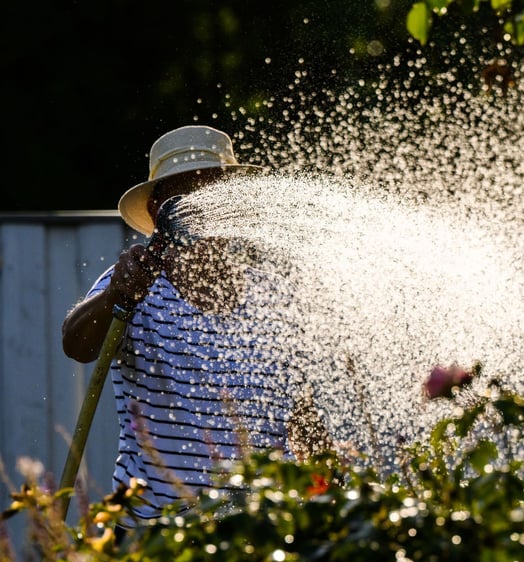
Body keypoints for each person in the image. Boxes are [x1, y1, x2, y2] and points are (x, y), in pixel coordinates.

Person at [62, 125, 332, 528]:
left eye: (211, 191)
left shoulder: (275, 295)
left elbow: (302, 419)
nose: (199, 208)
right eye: (182, 195)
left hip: (263, 531)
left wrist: (329, 505)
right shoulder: (134, 284)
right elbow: (76, 344)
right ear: (156, 213)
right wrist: (115, 296)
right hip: (160, 532)